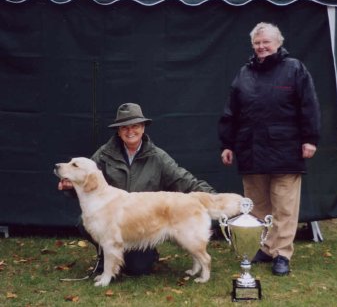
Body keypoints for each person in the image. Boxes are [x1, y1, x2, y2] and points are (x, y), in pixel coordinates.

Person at [59, 102, 215, 276]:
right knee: (86, 221)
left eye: (135, 126)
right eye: (124, 127)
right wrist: (70, 186)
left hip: (143, 224)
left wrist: (213, 199)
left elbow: (184, 180)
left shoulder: (158, 157)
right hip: (113, 222)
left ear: (143, 128)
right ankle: (107, 252)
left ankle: (141, 254)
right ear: (118, 131)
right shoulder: (104, 154)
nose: (130, 131)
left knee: (137, 268)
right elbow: (84, 179)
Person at [218, 22, 321, 276]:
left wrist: (310, 139)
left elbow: (309, 105)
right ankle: (263, 247)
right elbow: (231, 112)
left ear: (278, 43)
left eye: (266, 42)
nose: (261, 47)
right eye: (257, 43)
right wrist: (228, 144)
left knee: (284, 206)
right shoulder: (243, 73)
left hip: (286, 151)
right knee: (256, 207)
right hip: (250, 150)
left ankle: (282, 254)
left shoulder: (295, 69)